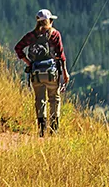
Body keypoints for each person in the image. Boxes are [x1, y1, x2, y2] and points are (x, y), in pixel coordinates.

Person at [14, 9, 69, 137]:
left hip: (36, 74)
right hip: (51, 74)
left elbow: (18, 48)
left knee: (40, 100)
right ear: (49, 21)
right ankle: (54, 130)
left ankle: (42, 131)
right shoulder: (55, 34)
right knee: (54, 99)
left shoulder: (31, 35)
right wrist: (65, 72)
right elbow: (61, 55)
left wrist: (29, 63)